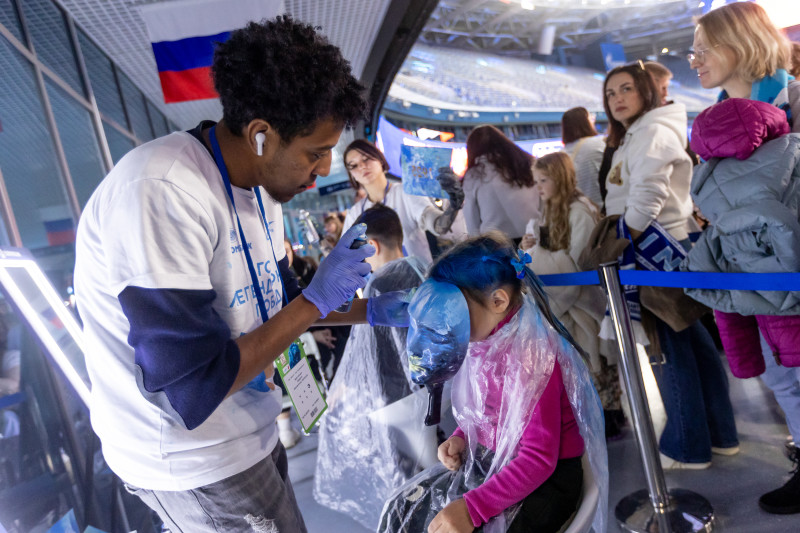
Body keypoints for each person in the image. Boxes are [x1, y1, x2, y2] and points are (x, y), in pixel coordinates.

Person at [73, 16, 406, 533]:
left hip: (249, 423)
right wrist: (314, 303)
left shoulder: (260, 189)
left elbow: (286, 303)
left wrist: (381, 311)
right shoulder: (160, 192)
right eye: (315, 154)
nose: (323, 172)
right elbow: (193, 385)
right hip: (191, 458)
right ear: (260, 136)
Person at [379, 233, 608, 533]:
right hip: (499, 462)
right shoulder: (485, 341)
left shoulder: (532, 359)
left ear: (498, 301)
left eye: (455, 314)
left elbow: (539, 458)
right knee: (404, 510)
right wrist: (462, 435)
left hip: (547, 481)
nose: (450, 326)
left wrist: (471, 510)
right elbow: (489, 408)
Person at [687, 1, 800, 513]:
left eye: (703, 48)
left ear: (741, 42)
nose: (694, 59)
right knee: (782, 373)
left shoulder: (794, 97)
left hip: (789, 258)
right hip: (747, 269)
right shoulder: (712, 123)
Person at [602, 62, 739, 470]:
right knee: (691, 341)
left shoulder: (651, 131)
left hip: (653, 248)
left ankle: (688, 445)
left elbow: (648, 194)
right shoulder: (642, 132)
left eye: (626, 89)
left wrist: (620, 241)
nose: (617, 99)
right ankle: (718, 435)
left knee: (669, 347)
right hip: (664, 243)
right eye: (610, 94)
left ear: (646, 89)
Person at [314, 204, 429, 529]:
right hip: (430, 393)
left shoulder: (380, 285)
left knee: (411, 480)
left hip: (396, 401)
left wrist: (345, 387)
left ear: (372, 247)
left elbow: (371, 356)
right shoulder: (421, 269)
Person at [520, 153, 622, 438]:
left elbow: (578, 263)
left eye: (544, 180)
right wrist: (532, 244)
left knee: (595, 357)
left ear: (560, 179)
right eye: (536, 181)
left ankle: (610, 415)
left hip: (584, 298)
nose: (538, 187)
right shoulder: (551, 209)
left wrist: (538, 254)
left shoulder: (579, 211)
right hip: (569, 301)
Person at [341, 139, 465, 265]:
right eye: (354, 166)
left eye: (366, 158)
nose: (362, 166)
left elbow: (438, 225)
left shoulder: (405, 192)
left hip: (421, 279)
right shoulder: (354, 214)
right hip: (382, 282)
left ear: (379, 159)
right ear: (352, 175)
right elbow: (345, 257)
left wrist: (454, 205)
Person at [461, 125, 540, 243]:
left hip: (497, 244)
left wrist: (477, 246)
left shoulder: (474, 175)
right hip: (534, 236)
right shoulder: (528, 163)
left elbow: (472, 220)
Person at [560, 107, 604, 206]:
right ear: (585, 122)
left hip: (580, 212)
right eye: (590, 118)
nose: (593, 120)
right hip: (603, 208)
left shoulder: (561, 155)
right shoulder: (600, 143)